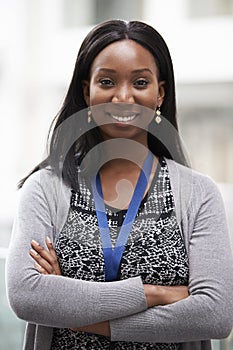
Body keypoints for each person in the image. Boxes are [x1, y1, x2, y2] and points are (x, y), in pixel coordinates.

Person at [6, 19, 233, 350]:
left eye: (140, 82)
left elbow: (215, 315)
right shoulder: (45, 189)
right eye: (107, 81)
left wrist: (73, 307)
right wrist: (154, 293)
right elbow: (27, 296)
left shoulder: (199, 194)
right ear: (88, 92)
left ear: (160, 94)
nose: (123, 97)